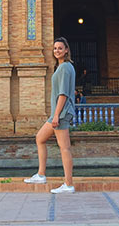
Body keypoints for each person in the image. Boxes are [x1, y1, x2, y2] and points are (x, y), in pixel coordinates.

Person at [24, 36, 76, 193]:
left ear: (66, 50)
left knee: (64, 148)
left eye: (60, 48)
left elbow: (63, 94)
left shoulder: (66, 68)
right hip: (58, 113)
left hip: (61, 113)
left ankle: (68, 184)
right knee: (40, 138)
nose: (57, 51)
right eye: (55, 48)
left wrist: (56, 115)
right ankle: (41, 174)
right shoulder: (61, 67)